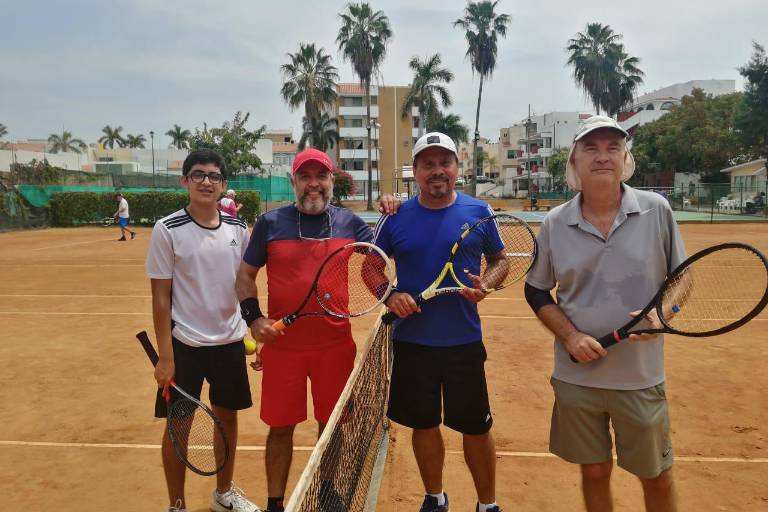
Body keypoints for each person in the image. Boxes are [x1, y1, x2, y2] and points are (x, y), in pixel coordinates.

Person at [524, 116, 687, 512]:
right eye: (591, 149)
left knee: (656, 476)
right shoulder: (555, 222)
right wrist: (571, 337)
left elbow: (682, 277)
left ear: (625, 159)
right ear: (574, 162)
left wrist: (663, 313)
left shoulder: (656, 210)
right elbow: (536, 289)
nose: (602, 157)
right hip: (577, 377)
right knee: (594, 472)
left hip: (640, 377)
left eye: (613, 148)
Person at [235, 148, 399, 512]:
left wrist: (392, 210)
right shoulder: (270, 224)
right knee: (280, 428)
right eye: (305, 177)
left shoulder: (350, 223)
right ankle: (275, 503)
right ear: (293, 181)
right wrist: (254, 319)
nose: (314, 184)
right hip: (283, 350)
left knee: (332, 425)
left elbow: (377, 260)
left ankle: (325, 490)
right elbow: (245, 276)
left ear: (331, 181)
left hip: (334, 348)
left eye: (321, 176)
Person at [374, 132, 503, 512]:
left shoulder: (479, 211)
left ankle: (487, 505)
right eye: (428, 164)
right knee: (424, 424)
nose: (437, 170)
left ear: (456, 168)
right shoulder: (394, 217)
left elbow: (499, 260)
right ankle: (435, 498)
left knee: (476, 428)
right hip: (413, 342)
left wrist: (487, 284)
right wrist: (390, 295)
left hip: (463, 342)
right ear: (415, 171)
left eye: (444, 162)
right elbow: (369, 266)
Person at [146, 149, 260, 512]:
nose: (206, 182)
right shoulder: (167, 229)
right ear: (185, 181)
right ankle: (176, 505)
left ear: (223, 184)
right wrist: (166, 357)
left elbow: (245, 285)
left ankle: (223, 494)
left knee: (227, 419)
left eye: (213, 176)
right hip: (185, 346)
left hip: (229, 343)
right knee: (178, 426)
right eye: (198, 175)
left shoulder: (238, 229)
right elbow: (160, 298)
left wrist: (251, 329)